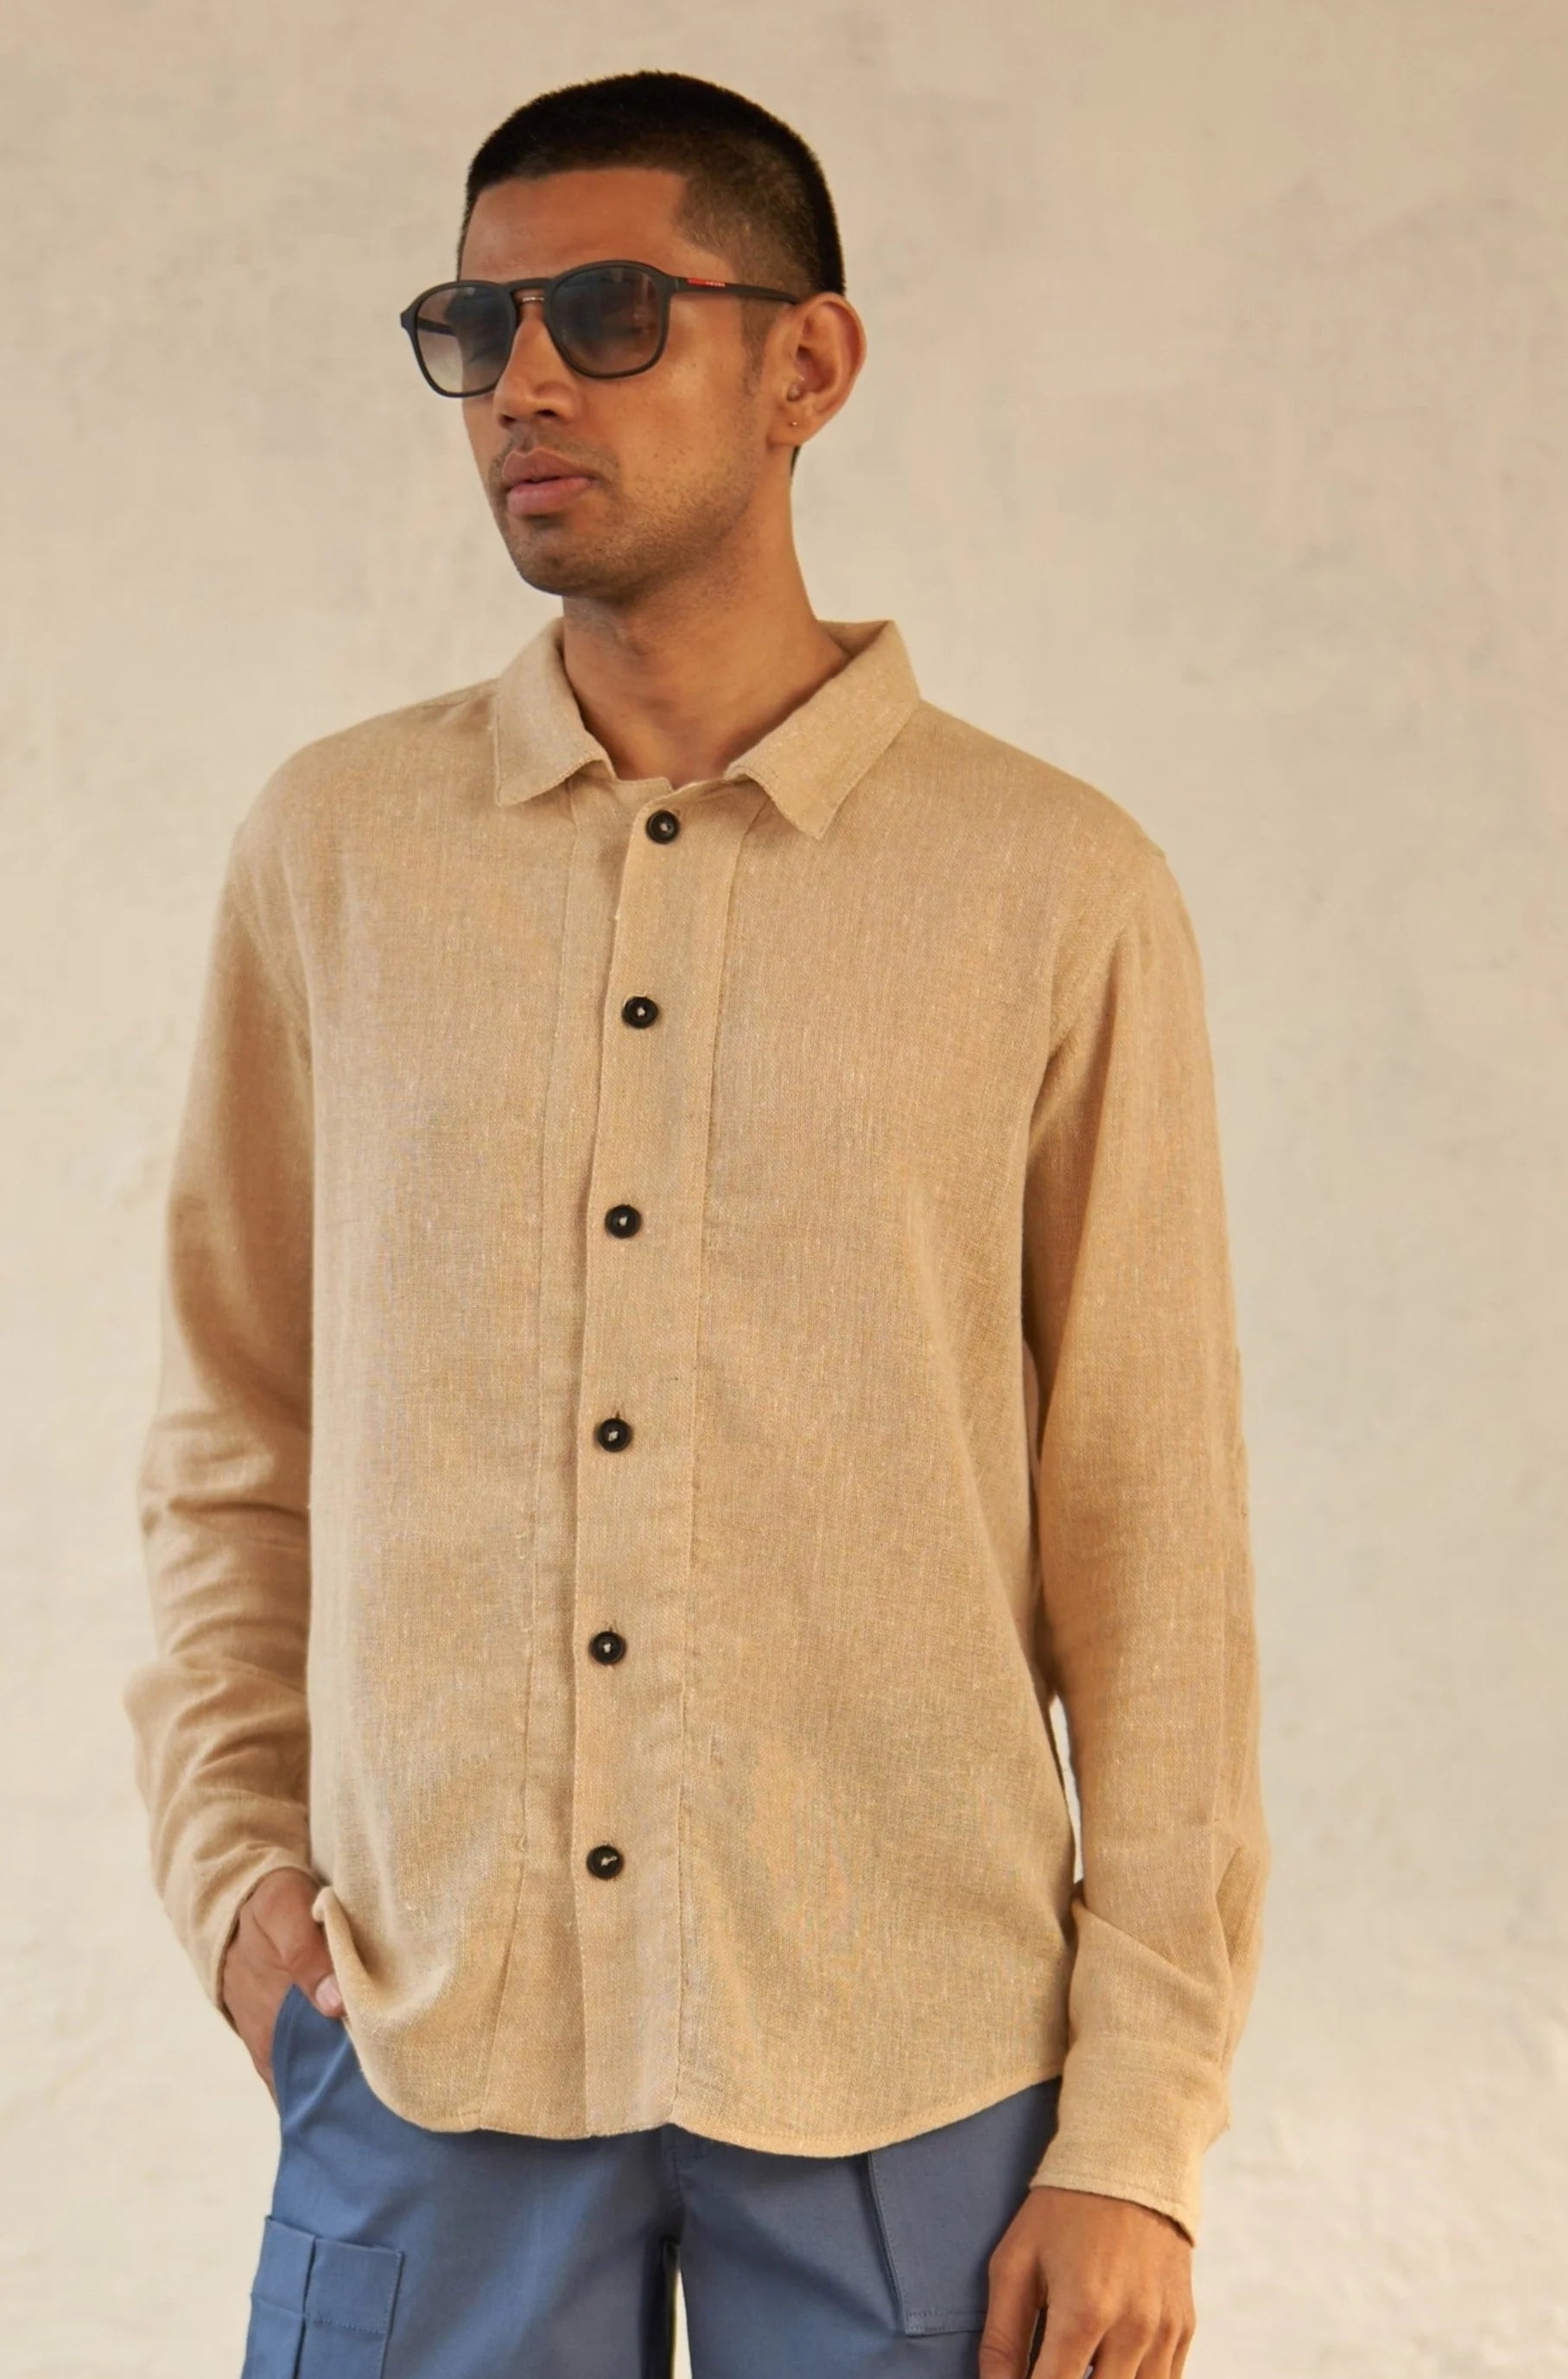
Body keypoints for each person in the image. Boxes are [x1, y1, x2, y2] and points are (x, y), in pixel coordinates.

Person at [123, 66, 1268, 2379]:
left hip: (920, 2073)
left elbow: (1153, 1543)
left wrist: (1140, 2125)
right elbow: (235, 1430)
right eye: (479, 327)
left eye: (611, 313)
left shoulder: (1054, 889)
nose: (526, 383)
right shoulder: (336, 855)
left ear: (804, 365)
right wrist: (236, 1882)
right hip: (425, 2047)